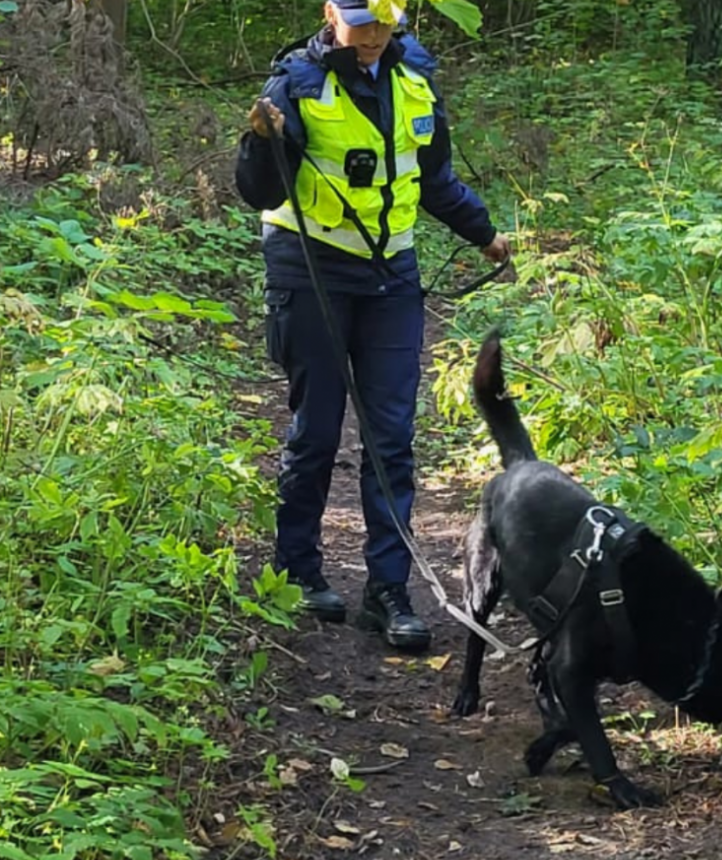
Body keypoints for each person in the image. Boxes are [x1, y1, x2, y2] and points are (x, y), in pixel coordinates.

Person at [234, 0, 510, 653]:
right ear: (331, 13)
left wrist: (484, 234)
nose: (370, 38)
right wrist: (259, 141)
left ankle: (389, 591)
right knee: (317, 430)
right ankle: (297, 570)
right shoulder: (294, 84)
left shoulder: (415, 77)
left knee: (391, 439)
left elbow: (433, 178)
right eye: (359, 25)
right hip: (311, 271)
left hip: (391, 277)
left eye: (382, 25)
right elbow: (260, 193)